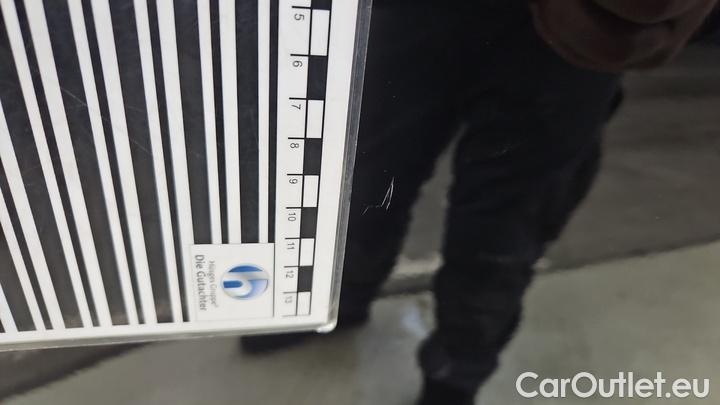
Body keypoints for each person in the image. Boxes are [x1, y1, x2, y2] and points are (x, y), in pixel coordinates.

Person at [243, 1, 720, 404]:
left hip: (572, 31)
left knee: (506, 224)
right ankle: (341, 299)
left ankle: (456, 370)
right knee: (366, 173)